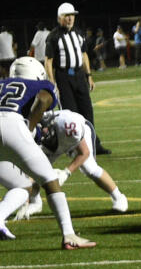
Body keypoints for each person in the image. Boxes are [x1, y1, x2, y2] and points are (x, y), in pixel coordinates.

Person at [0, 56, 95, 248]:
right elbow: (43, 99)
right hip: (12, 125)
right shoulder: (42, 85)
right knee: (50, 180)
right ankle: (69, 235)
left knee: (21, 185)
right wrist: (30, 127)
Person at [44, 2, 109, 155]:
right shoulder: (53, 36)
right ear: (60, 17)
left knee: (87, 110)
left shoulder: (78, 33)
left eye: (72, 15)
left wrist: (89, 75)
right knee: (70, 114)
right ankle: (72, 148)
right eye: (67, 16)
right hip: (63, 77)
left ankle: (93, 144)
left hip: (79, 75)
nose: (70, 18)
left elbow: (84, 54)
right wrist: (52, 83)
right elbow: (48, 61)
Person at [34, 109, 128, 212]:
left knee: (89, 168)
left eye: (43, 129)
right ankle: (34, 201)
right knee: (36, 169)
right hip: (53, 143)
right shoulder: (34, 133)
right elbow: (31, 171)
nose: (42, 133)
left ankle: (119, 197)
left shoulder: (68, 124)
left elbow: (84, 153)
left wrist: (66, 172)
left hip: (78, 134)